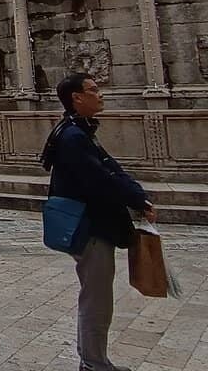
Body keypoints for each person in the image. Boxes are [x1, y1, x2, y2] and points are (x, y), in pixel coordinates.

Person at [42, 73, 156, 371]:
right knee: (97, 299)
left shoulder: (77, 131)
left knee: (95, 295)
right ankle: (94, 363)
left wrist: (136, 194)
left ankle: (92, 359)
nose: (100, 94)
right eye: (93, 90)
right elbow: (100, 179)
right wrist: (135, 198)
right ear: (77, 98)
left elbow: (108, 166)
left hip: (90, 223)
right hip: (89, 227)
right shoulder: (73, 136)